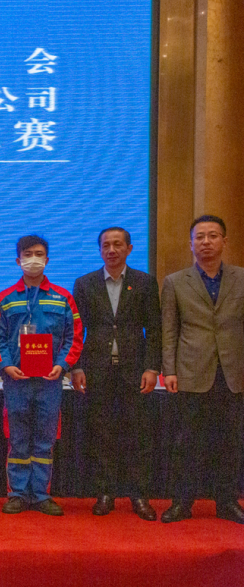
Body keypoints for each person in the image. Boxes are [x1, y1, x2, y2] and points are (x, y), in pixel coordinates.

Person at [71, 227, 161, 521]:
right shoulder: (85, 284)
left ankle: (139, 494)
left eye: (117, 244)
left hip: (135, 369)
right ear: (100, 250)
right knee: (101, 433)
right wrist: (78, 366)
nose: (111, 250)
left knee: (138, 433)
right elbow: (77, 330)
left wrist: (152, 367)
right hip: (96, 368)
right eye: (106, 245)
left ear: (129, 248)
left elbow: (155, 328)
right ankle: (105, 493)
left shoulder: (144, 282)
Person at [160, 215, 244, 524]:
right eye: (200, 237)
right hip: (191, 371)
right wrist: (169, 370)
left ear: (224, 241)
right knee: (187, 442)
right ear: (191, 244)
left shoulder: (241, 278)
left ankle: (227, 502)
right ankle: (182, 503)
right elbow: (169, 330)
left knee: (231, 442)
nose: (206, 242)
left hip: (233, 372)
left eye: (213, 236)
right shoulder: (175, 282)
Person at [0, 235, 82, 516]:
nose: (34, 259)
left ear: (47, 259)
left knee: (45, 439)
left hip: (49, 381)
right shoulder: (5, 298)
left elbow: (74, 337)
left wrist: (62, 365)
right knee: (18, 438)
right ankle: (17, 494)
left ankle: (41, 494)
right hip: (16, 380)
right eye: (28, 254)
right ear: (18, 260)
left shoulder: (63, 297)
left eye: (39, 254)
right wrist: (6, 365)